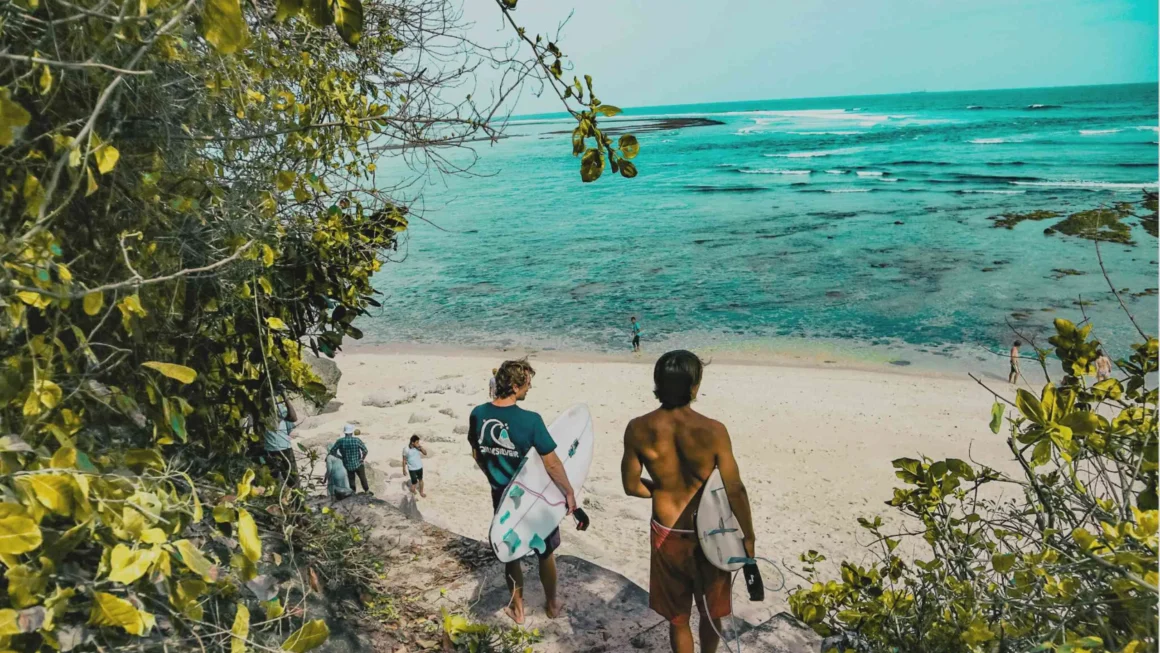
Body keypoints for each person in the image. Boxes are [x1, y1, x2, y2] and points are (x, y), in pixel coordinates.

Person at [621, 350, 757, 653]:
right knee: (710, 615)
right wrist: (749, 536)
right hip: (713, 534)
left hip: (667, 533)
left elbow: (631, 486)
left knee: (678, 618)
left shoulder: (638, 428)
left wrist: (663, 491)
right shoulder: (713, 430)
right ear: (694, 386)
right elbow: (735, 489)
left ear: (657, 383)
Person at [468, 359, 577, 624]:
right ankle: (551, 604)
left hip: (502, 496)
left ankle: (517, 610)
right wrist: (569, 492)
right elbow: (551, 462)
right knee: (545, 551)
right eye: (528, 384)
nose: (530, 388)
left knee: (511, 551)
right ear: (516, 386)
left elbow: (476, 452)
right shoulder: (530, 420)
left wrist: (492, 476)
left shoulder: (478, 414)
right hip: (534, 498)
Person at [264, 389, 299, 487]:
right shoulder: (277, 407)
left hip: (269, 449)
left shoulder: (259, 407)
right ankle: (296, 500)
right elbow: (293, 418)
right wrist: (285, 398)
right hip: (283, 447)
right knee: (292, 478)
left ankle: (278, 498)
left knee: (272, 480)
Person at [329, 424, 370, 494]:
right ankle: (367, 491)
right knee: (363, 478)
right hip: (358, 463)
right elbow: (365, 451)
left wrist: (340, 457)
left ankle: (353, 492)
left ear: (344, 432)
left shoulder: (340, 441)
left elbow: (332, 451)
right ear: (352, 432)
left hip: (347, 464)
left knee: (351, 479)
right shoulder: (356, 440)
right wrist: (362, 458)